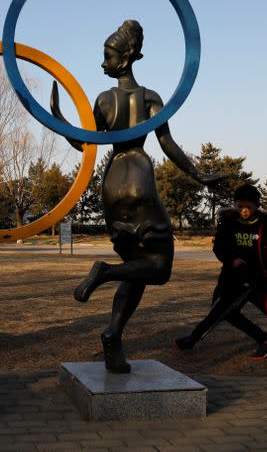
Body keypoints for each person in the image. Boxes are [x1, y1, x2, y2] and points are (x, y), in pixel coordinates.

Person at [52, 20, 221, 373]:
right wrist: (198, 174)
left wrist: (58, 119)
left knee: (137, 270)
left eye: (107, 57)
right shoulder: (149, 98)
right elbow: (167, 144)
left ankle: (113, 333)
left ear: (124, 59)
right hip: (140, 179)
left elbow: (87, 142)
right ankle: (103, 271)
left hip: (113, 185)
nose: (102, 64)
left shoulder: (104, 100)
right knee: (158, 269)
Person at [174, 183, 267, 359]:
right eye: (240, 206)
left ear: (257, 206)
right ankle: (266, 340)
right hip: (231, 275)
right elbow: (219, 247)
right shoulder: (228, 222)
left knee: (223, 309)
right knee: (228, 312)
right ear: (234, 204)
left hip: (254, 278)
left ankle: (193, 339)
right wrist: (231, 260)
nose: (244, 210)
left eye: (248, 207)